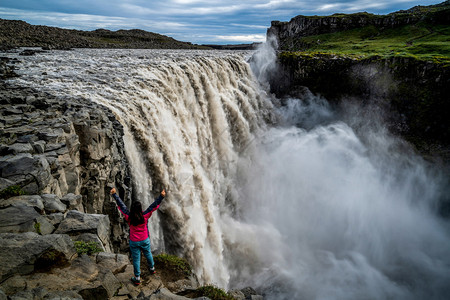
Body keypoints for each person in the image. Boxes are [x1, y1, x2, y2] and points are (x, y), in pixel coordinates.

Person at [110, 187, 166, 286]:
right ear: (140, 209)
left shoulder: (128, 217)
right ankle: (152, 269)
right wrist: (161, 196)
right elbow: (153, 206)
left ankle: (137, 278)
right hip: (145, 239)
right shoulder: (145, 216)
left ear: (132, 209)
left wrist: (114, 195)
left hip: (134, 241)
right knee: (148, 253)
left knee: (136, 259)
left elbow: (122, 206)